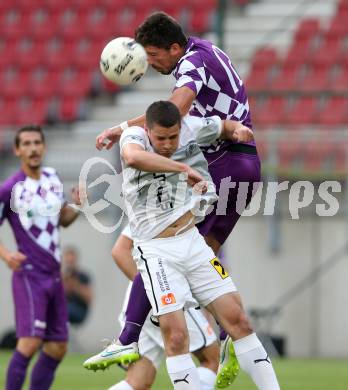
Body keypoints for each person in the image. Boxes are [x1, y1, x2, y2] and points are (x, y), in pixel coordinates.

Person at [95, 12, 261, 387]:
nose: (149, 64)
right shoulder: (203, 51)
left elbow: (172, 116)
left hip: (226, 163)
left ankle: (138, 337)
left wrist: (121, 129)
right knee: (188, 250)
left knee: (162, 243)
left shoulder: (192, 63)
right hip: (227, 163)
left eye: (153, 55)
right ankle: (214, 328)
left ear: (174, 47)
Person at [88, 101, 279, 390]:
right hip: (156, 252)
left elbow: (222, 126)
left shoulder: (192, 127)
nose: (166, 144)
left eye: (173, 138)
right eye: (160, 138)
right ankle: (127, 338)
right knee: (176, 338)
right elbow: (133, 157)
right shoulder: (134, 137)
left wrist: (237, 129)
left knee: (240, 322)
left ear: (180, 129)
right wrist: (182, 168)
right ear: (148, 130)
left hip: (193, 244)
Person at [0, 125, 82, 390]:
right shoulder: (10, 188)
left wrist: (79, 204)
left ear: (44, 146)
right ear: (17, 150)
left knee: (58, 346)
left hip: (54, 275)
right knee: (30, 342)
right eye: (26, 143)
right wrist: (6, 255)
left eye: (37, 142)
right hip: (29, 274)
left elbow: (63, 220)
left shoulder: (52, 178)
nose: (33, 148)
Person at [107, 225, 219, 390]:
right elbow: (120, 250)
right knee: (211, 357)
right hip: (166, 295)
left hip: (141, 302)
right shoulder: (163, 208)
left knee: (139, 381)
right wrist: (153, 290)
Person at [62, 246, 92, 325]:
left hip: (77, 310)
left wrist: (75, 286)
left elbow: (89, 298)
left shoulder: (82, 276)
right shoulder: (61, 276)